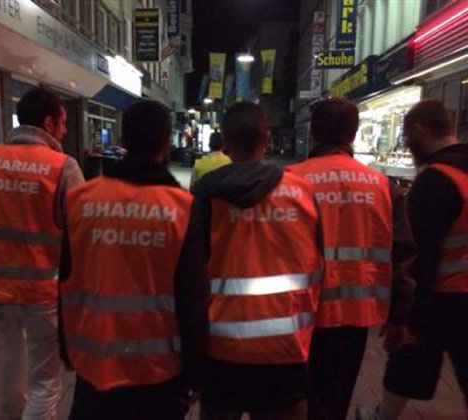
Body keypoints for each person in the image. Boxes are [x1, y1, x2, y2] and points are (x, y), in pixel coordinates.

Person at [58, 100, 209, 420]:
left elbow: (66, 278)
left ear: (123, 140)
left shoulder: (80, 199)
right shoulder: (182, 208)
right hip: (158, 372)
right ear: (166, 143)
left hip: (94, 364)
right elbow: (192, 299)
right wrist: (196, 372)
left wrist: (66, 349)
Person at [0, 88, 85, 419]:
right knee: (45, 379)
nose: (65, 130)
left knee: (13, 359)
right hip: (43, 292)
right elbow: (81, 235)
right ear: (48, 123)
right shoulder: (62, 167)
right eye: (63, 123)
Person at [192, 102, 324, 419]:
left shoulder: (206, 194)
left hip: (221, 348)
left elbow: (190, 276)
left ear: (225, 142)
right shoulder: (303, 192)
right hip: (286, 348)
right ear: (266, 140)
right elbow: (321, 266)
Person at [356, 100, 468, 420]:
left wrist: (404, 311)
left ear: (419, 129)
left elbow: (419, 253)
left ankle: (383, 416)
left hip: (444, 295)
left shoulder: (435, 180)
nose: (406, 142)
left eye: (406, 134)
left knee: (409, 355)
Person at [288, 98, 398, 420]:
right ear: (353, 134)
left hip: (301, 310)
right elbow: (402, 252)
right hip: (356, 312)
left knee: (299, 398)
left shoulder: (290, 180)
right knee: (336, 397)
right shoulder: (382, 185)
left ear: (313, 133)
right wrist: (400, 316)